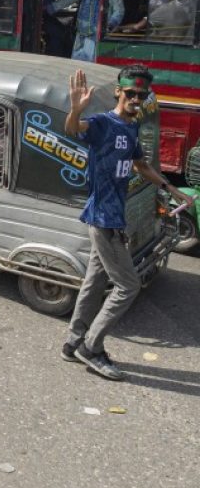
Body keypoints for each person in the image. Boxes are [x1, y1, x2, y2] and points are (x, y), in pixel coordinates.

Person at [62, 66, 193, 380]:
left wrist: (171, 188)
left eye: (141, 94)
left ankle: (73, 341)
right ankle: (91, 347)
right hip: (104, 218)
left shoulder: (131, 127)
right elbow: (73, 128)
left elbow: (140, 166)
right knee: (128, 285)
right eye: (130, 93)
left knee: (95, 281)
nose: (136, 98)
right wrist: (76, 109)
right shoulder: (103, 124)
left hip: (114, 215)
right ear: (118, 92)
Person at [47, 0, 123, 62]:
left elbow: (119, 11)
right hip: (81, 34)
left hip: (96, 36)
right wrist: (50, 8)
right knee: (76, 65)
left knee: (90, 66)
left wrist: (109, 26)